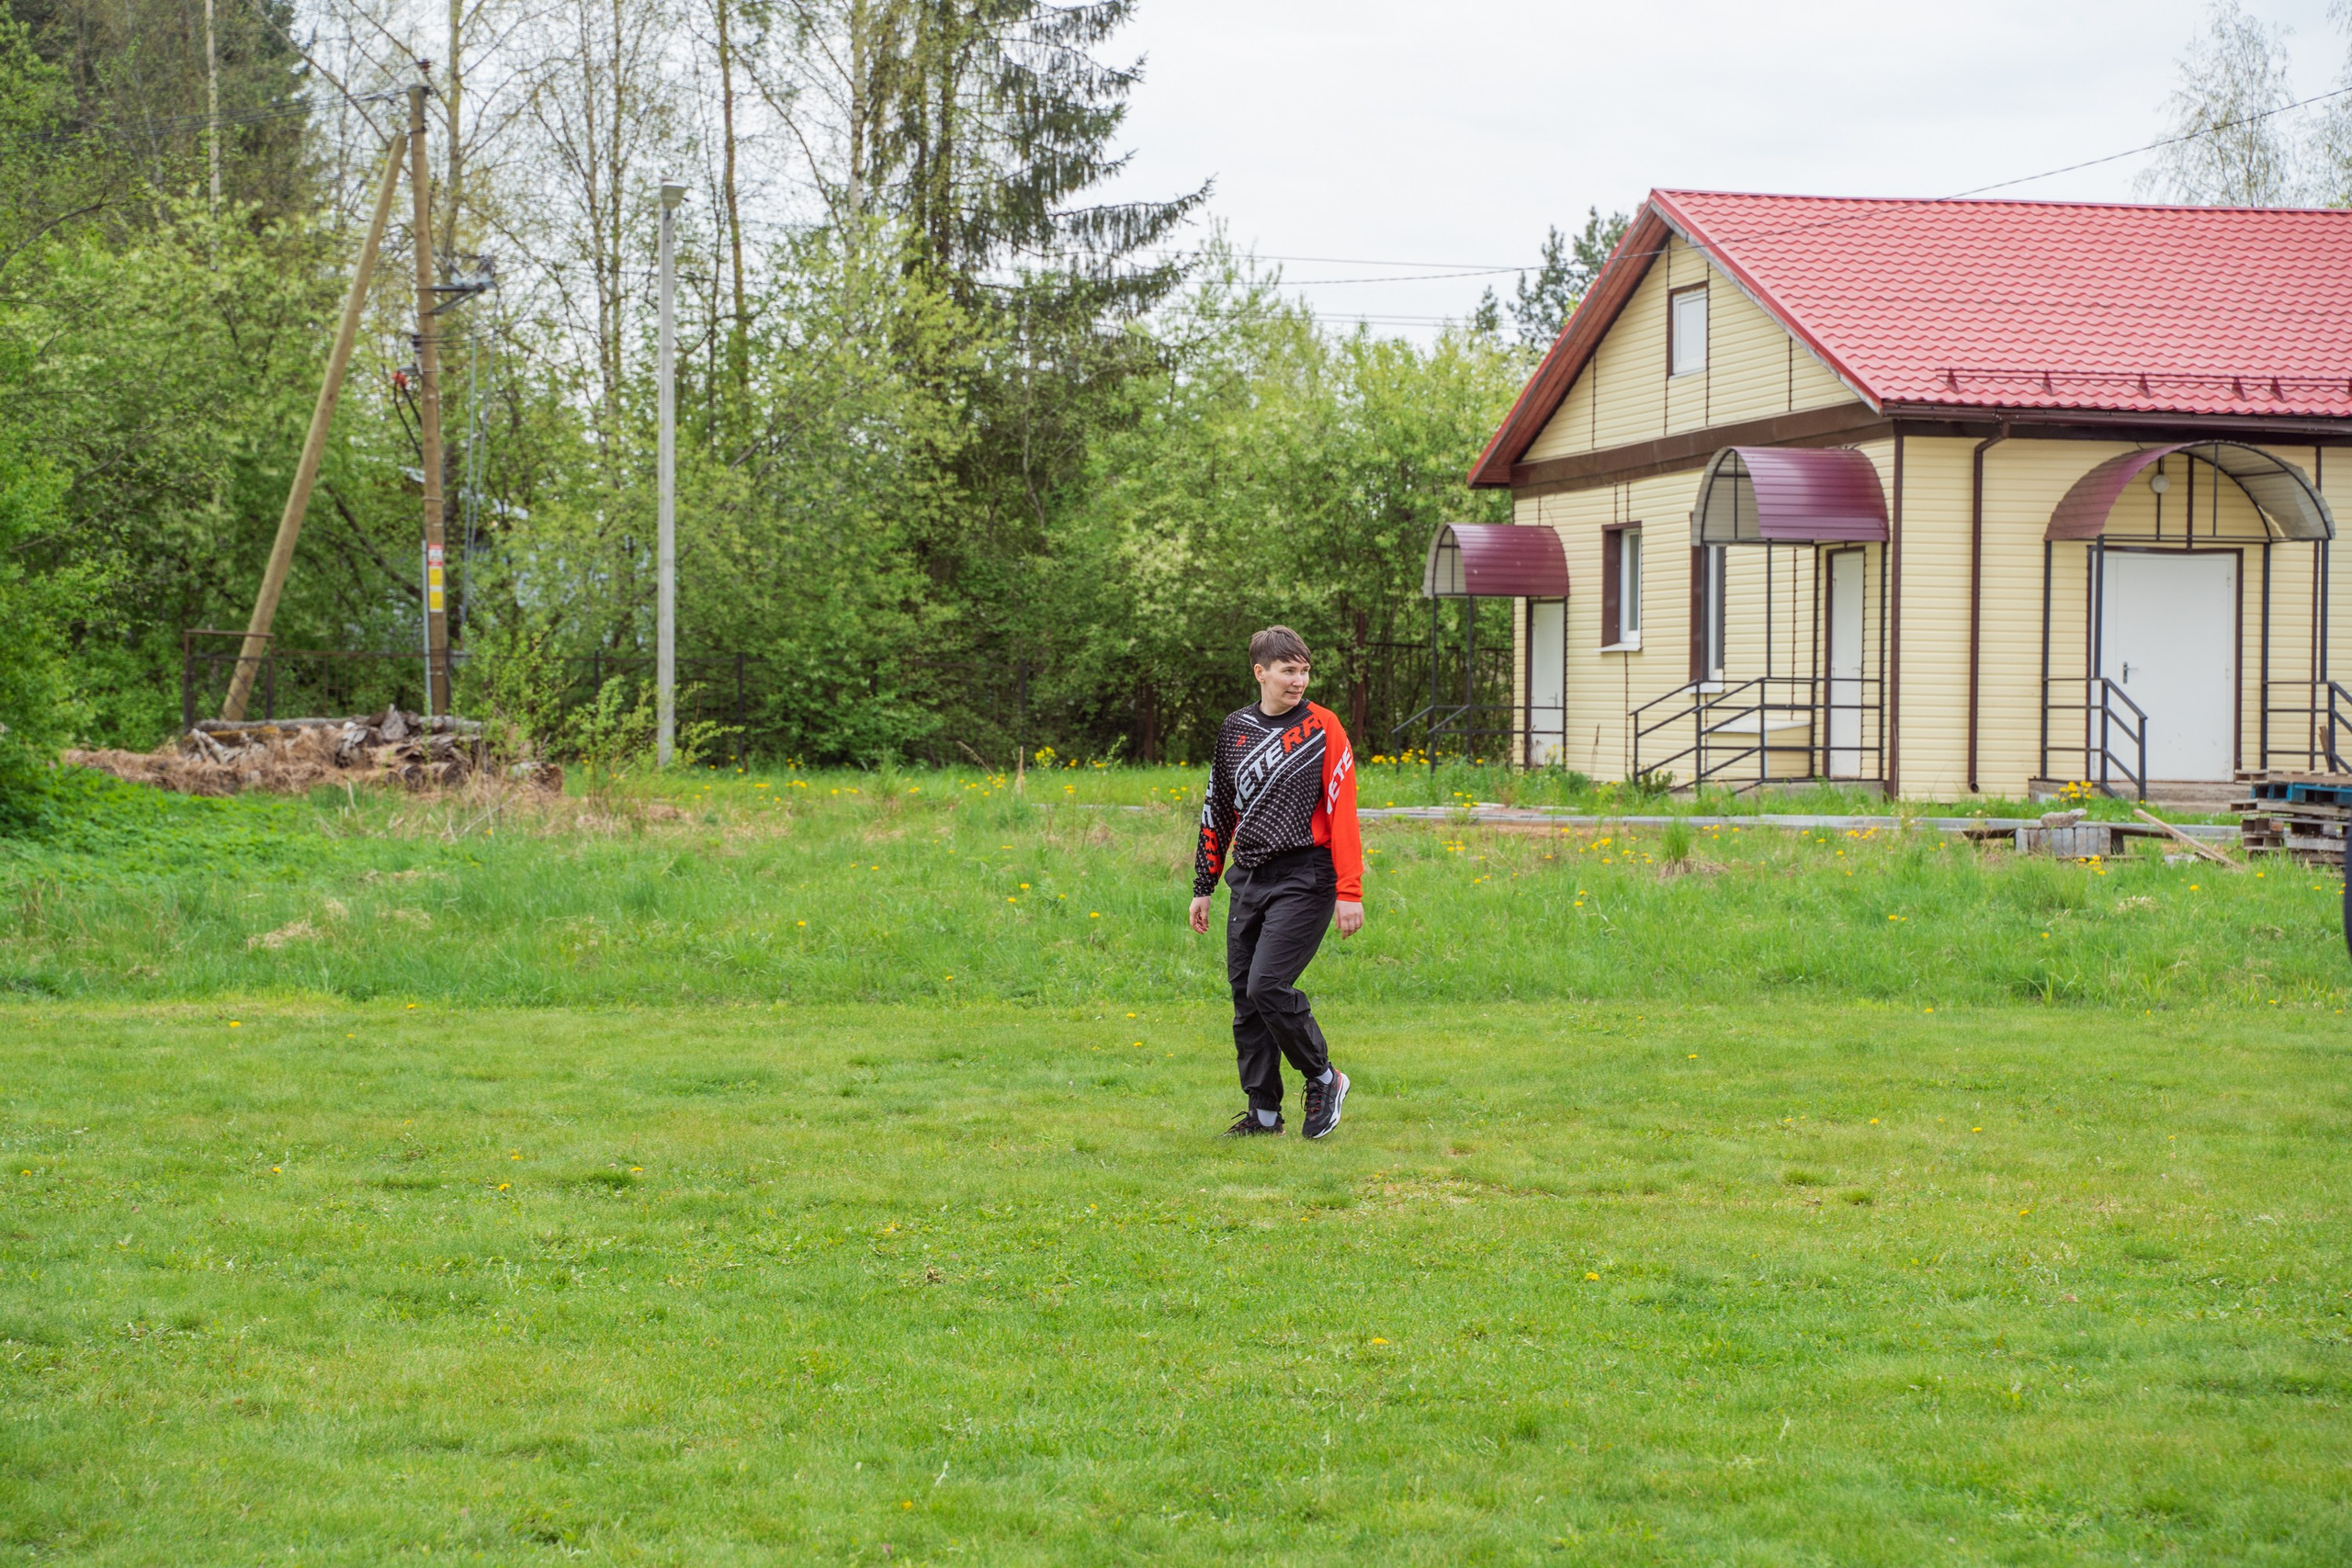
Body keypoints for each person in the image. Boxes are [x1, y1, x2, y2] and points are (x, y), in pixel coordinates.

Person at [1189, 626, 1363, 1139]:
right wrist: (1204, 884)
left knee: (1267, 985)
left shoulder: (1323, 726)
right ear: (1260, 672)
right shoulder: (1235, 728)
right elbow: (1218, 808)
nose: (1299, 680)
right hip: (1249, 876)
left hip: (1307, 876)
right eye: (1289, 670)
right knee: (1246, 997)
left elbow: (1343, 810)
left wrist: (1349, 891)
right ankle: (1263, 1113)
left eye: (1304, 670)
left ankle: (1324, 1077)